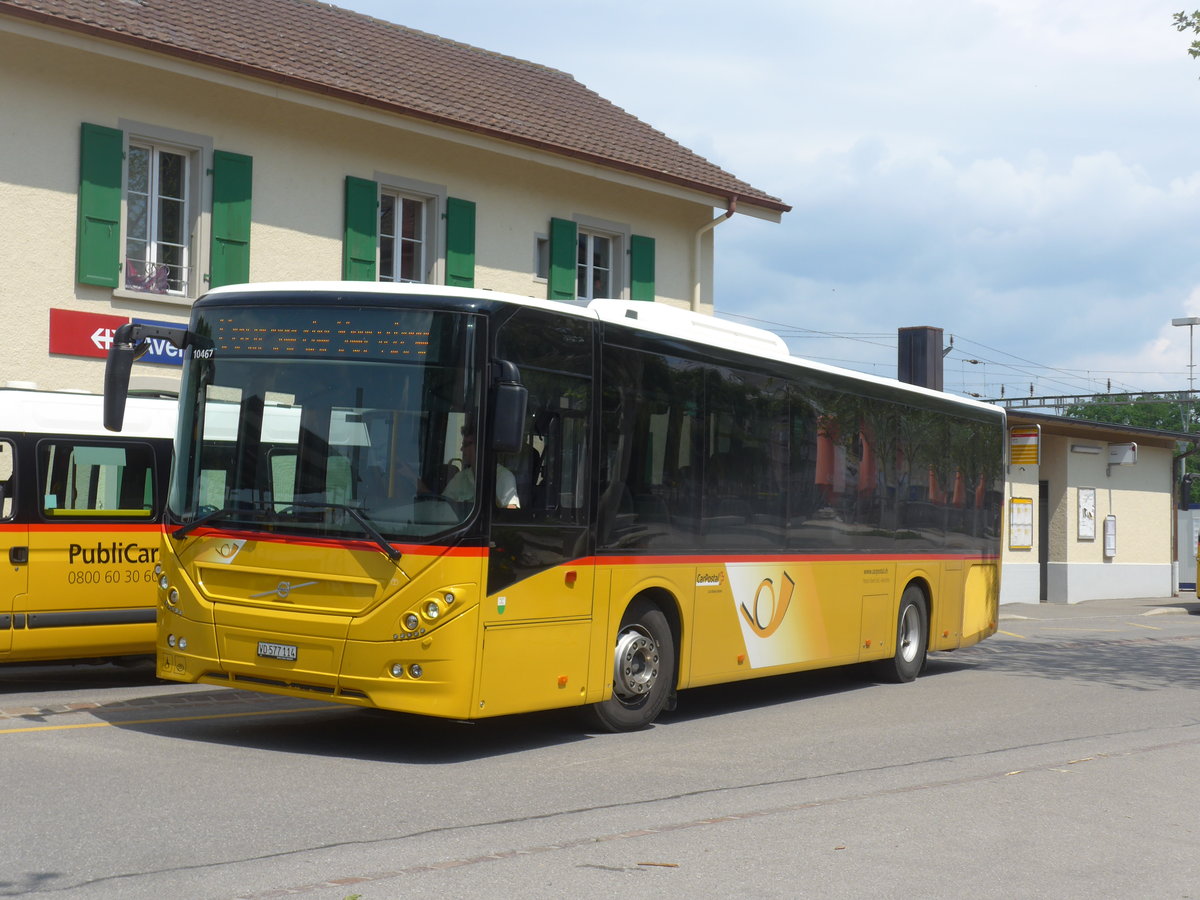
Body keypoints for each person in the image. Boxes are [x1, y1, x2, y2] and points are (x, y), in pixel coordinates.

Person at [443, 425, 520, 509]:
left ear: (479, 446)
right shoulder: (460, 478)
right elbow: (442, 504)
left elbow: (510, 513)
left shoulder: (504, 477)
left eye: (465, 444)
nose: (461, 449)